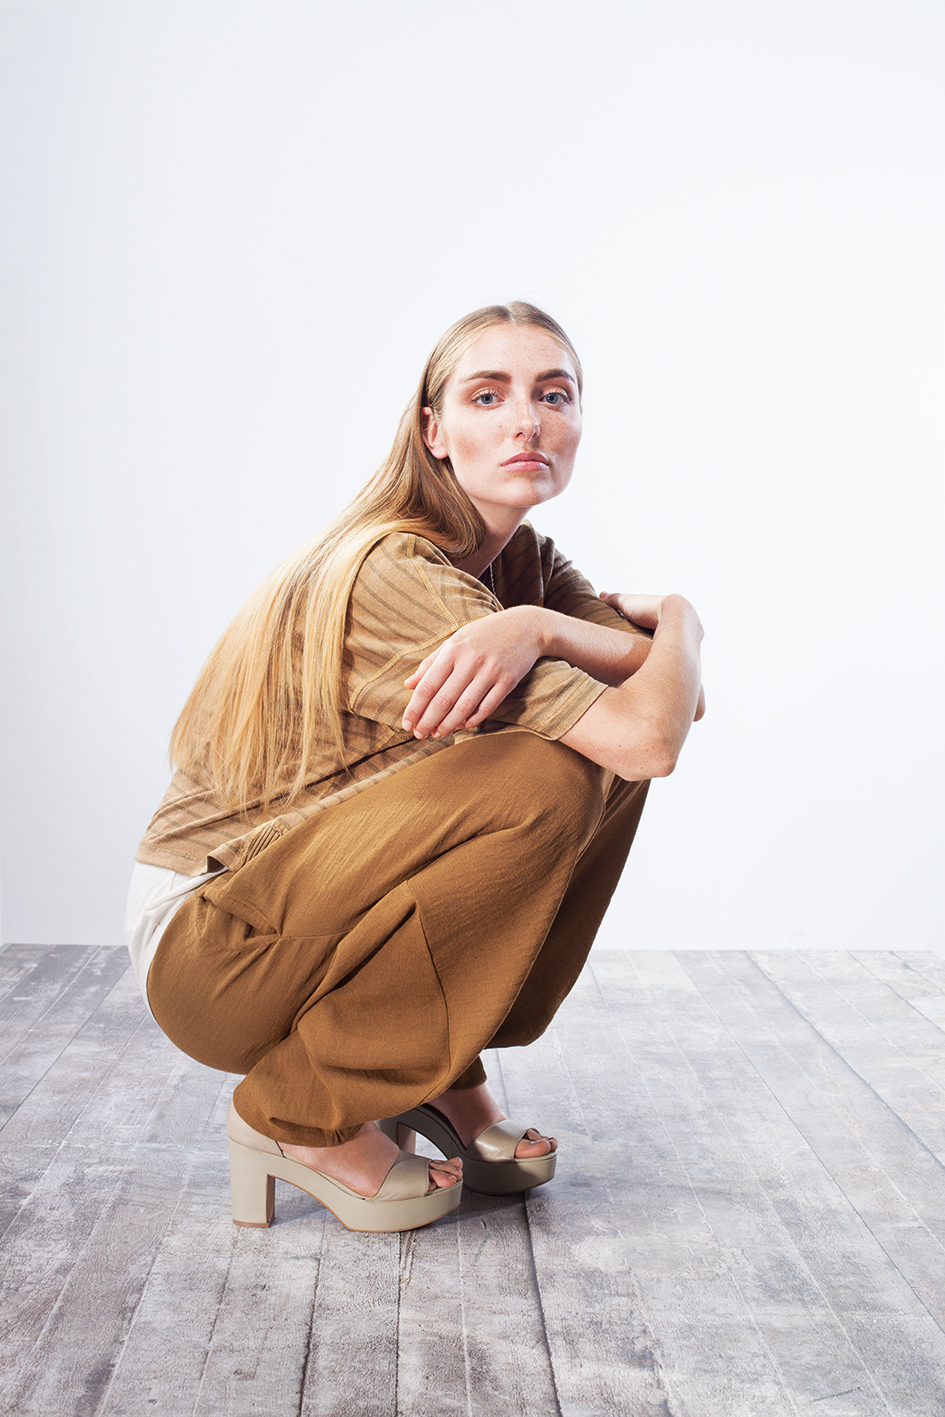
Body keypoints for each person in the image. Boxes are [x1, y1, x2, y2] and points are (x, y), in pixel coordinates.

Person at [124, 301, 704, 1234]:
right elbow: (650, 733)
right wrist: (632, 633)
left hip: (298, 913)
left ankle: (439, 1071)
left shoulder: (526, 567)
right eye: (489, 396)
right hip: (214, 947)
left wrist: (648, 620)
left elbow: (672, 704)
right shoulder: (391, 569)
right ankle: (297, 1113)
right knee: (550, 774)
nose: (527, 421)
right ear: (434, 430)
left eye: (554, 395)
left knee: (592, 758)